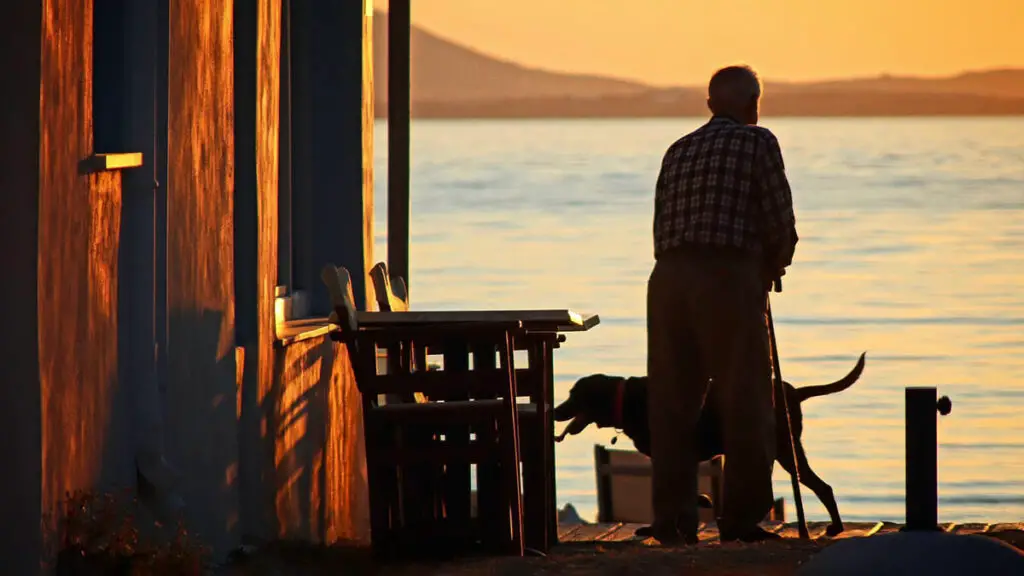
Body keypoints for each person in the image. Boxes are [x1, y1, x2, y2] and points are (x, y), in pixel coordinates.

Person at [646, 64, 799, 544]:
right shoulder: (759, 142)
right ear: (754, 104)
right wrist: (773, 265)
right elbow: (780, 221)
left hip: (668, 279)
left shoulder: (678, 149)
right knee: (748, 401)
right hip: (727, 277)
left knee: (671, 404)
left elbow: (659, 227)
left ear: (711, 105)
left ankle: (673, 520)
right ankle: (740, 520)